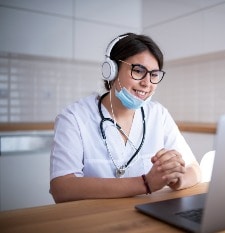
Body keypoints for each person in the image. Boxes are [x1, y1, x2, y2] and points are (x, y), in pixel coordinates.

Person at [50, 32, 201, 203]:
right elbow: (62, 187)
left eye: (154, 74)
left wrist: (175, 179)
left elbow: (194, 169)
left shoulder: (158, 114)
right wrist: (146, 183)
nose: (147, 83)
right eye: (138, 71)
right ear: (111, 70)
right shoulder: (74, 118)